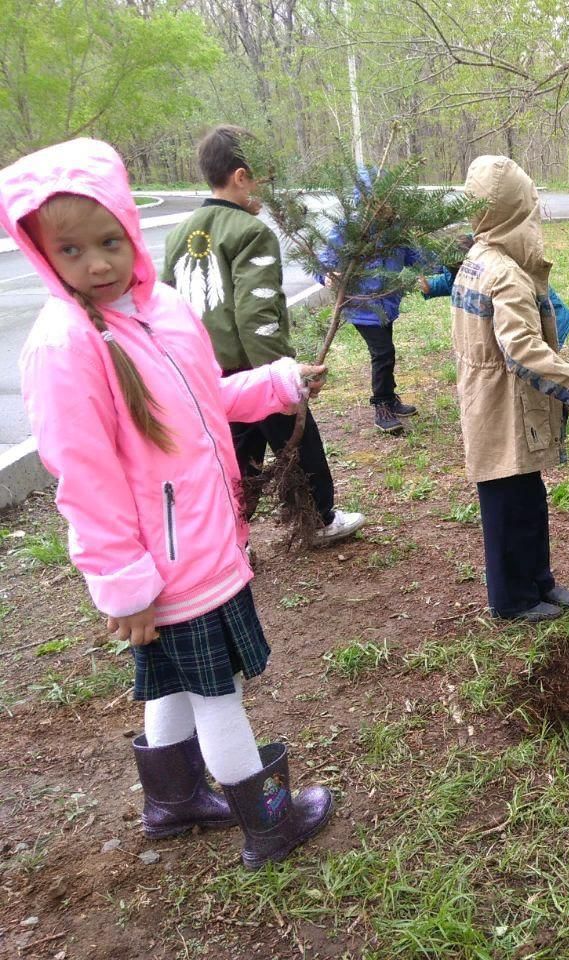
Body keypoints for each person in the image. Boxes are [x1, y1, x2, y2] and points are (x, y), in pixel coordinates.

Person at [2, 138, 334, 868]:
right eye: (71, 248)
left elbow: (204, 402)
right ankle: (268, 822)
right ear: (38, 251)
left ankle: (174, 801)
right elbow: (83, 480)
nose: (96, 263)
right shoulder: (66, 348)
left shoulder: (164, 310)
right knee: (218, 694)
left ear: (130, 226)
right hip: (168, 562)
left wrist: (276, 382)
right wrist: (124, 584)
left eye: (110, 241)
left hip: (204, 537)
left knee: (183, 680)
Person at [161, 125, 364, 544]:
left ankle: (232, 537)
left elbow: (165, 305)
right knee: (299, 441)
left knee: (234, 456)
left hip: (205, 373)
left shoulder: (179, 234)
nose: (266, 193)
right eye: (264, 182)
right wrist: (283, 376)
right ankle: (319, 519)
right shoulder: (251, 233)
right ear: (241, 177)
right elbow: (259, 314)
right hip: (255, 368)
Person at [451, 155, 569, 622]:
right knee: (505, 507)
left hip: (495, 401)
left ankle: (539, 580)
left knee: (528, 496)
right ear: (519, 209)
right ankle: (511, 599)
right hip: (502, 407)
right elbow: (521, 349)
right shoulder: (504, 274)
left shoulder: (480, 258)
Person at [315, 168, 422, 435]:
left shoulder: (395, 229)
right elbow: (324, 262)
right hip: (361, 305)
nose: (382, 206)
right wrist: (328, 276)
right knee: (383, 353)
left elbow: (413, 256)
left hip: (387, 304)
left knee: (387, 351)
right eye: (374, 200)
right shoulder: (349, 230)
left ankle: (391, 398)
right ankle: (381, 407)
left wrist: (430, 257)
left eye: (386, 199)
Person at [421, 232, 569, 347]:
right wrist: (425, 285)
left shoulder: (502, 275)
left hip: (553, 322)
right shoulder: (467, 273)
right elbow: (446, 283)